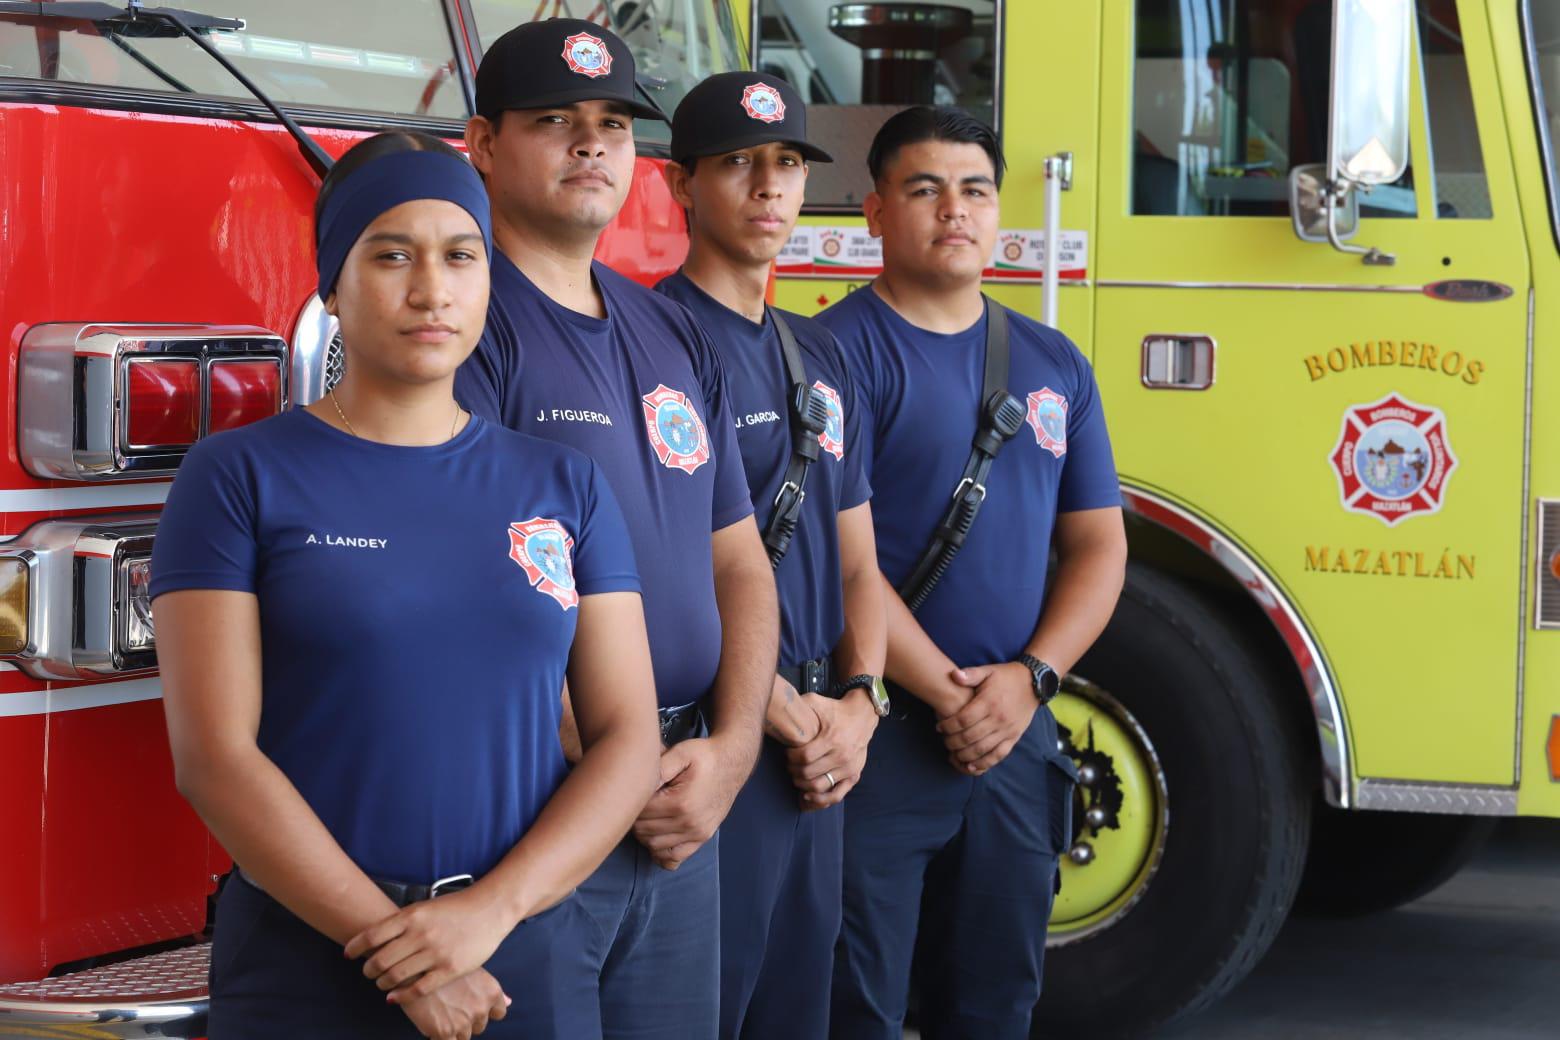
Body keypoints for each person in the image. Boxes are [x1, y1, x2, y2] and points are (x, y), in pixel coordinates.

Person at [151, 131, 661, 1040]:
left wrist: (489, 915)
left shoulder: (565, 484)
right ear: (331, 287)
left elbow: (627, 738)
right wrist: (406, 956)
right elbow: (216, 759)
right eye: (391, 256)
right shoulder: (237, 476)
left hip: (517, 958)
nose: (432, 290)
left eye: (461, 256)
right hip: (308, 962)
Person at [457, 20, 779, 1039]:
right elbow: (472, 597)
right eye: (555, 120)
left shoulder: (672, 326)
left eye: (611, 123)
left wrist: (731, 751)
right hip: (540, 806)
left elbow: (738, 558)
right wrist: (618, 776)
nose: (592, 142)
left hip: (686, 802)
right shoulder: (466, 328)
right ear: (483, 144)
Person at [816, 106, 1128, 1039]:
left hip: (1016, 731)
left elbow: (1099, 546)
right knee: (855, 1008)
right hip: (876, 735)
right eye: (925, 189)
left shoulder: (1055, 363)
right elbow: (837, 558)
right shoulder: (831, 356)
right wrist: (958, 699)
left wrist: (1030, 681)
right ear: (875, 211)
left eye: (976, 190)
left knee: (994, 1006)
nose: (955, 209)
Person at [655, 72, 889, 1040]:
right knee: (709, 1007)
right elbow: (663, 569)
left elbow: (859, 560)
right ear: (681, 184)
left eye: (788, 162)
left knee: (798, 1010)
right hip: (721, 735)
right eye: (738, 163)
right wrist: (781, 711)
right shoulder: (654, 342)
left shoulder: (816, 353)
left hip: (821, 747)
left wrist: (862, 706)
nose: (768, 186)